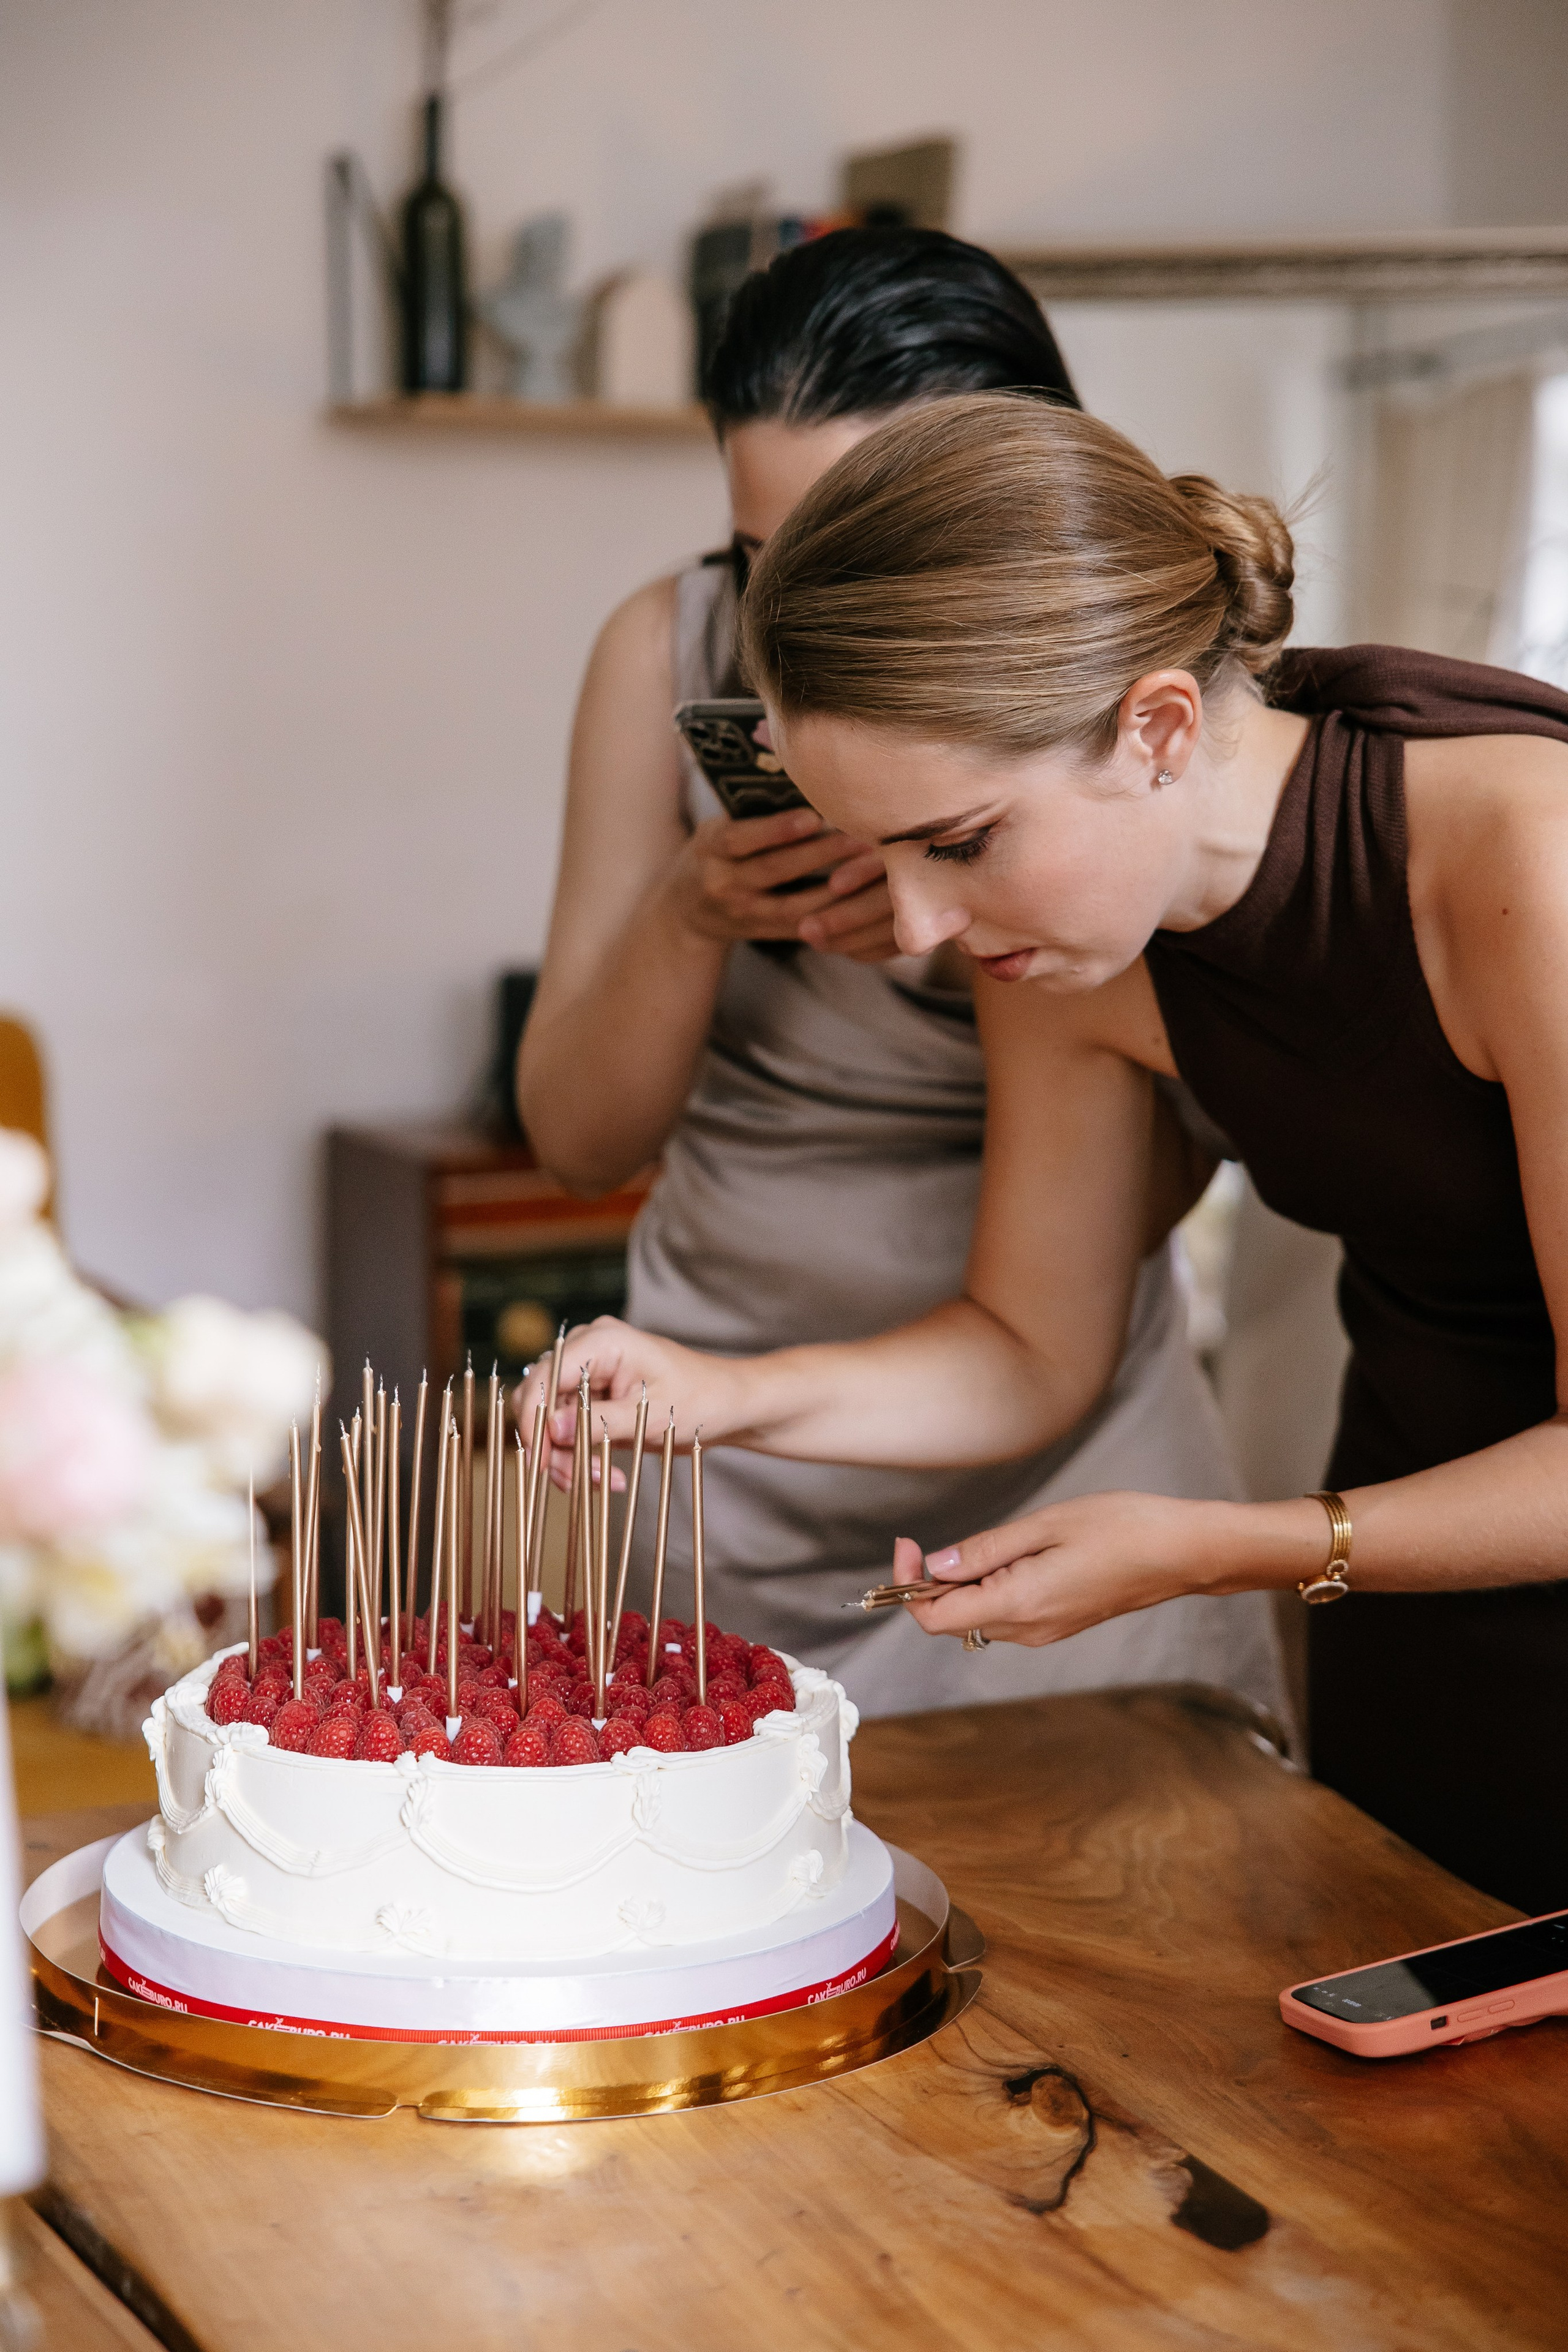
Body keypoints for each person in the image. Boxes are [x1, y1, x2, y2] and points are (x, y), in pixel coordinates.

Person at [528, 391, 1568, 1915]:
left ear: (1154, 727)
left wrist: (1220, 1548)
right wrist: (721, 1393)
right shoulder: (1079, 945)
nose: (916, 927)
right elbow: (1027, 1345)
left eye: (953, 841)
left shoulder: (1525, 867)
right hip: (1412, 1565)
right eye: (878, 852)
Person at [519, 234, 1281, 1722]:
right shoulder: (661, 648)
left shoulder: (1135, 758)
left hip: (1060, 1423)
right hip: (725, 1440)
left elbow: (1207, 1145)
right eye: (766, 565)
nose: (811, 625)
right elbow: (575, 1140)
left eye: (868, 551)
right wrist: (689, 916)